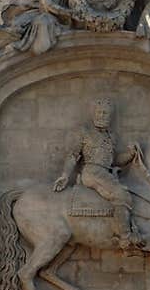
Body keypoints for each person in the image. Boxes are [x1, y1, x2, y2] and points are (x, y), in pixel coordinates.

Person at [53, 98, 141, 249]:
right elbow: (73, 155)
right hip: (92, 171)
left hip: (106, 172)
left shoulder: (111, 136)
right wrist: (65, 175)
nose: (101, 116)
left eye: (105, 113)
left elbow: (115, 160)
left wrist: (131, 154)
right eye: (99, 112)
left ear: (110, 117)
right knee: (121, 193)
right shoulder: (84, 132)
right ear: (93, 114)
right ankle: (125, 238)